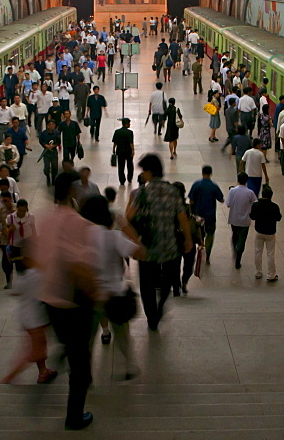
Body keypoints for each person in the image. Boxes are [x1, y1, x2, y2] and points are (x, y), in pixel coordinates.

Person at [30, 172, 102, 430]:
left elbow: (38, 260)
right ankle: (74, 417)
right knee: (81, 367)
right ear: (72, 192)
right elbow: (77, 267)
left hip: (47, 301)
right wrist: (97, 294)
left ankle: (66, 352)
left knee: (72, 347)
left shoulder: (46, 220)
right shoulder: (77, 223)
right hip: (72, 305)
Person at [126, 154, 193, 331]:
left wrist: (135, 240)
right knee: (168, 280)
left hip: (147, 246)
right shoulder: (172, 191)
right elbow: (183, 219)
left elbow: (129, 218)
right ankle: (161, 305)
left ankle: (151, 317)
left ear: (149, 171)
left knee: (147, 285)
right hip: (169, 245)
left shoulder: (142, 192)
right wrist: (188, 240)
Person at [81, 194, 142, 380]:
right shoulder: (113, 237)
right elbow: (139, 252)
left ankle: (85, 373)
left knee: (88, 339)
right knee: (122, 334)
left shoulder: (81, 237)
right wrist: (128, 230)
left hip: (89, 295)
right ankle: (130, 367)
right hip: (115, 295)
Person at [0, 246, 58, 385]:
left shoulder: (22, 277)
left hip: (26, 317)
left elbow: (16, 292)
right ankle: (10, 376)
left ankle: (43, 372)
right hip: (36, 318)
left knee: (37, 344)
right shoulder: (37, 275)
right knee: (35, 350)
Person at [188, 165, 224, 264]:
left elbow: (191, 200)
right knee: (210, 234)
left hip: (198, 215)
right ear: (211, 173)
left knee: (199, 234)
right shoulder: (213, 186)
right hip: (210, 215)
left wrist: (192, 212)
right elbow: (221, 199)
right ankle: (207, 254)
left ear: (202, 172)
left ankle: (200, 248)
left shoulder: (196, 184)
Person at [249, 186, 282, 282]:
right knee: (270, 253)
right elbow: (278, 218)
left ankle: (258, 272)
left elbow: (252, 216)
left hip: (259, 231)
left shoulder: (256, 205)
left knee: (258, 252)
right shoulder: (274, 206)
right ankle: (271, 274)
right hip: (270, 232)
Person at [225, 173, 256, 270]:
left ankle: (235, 249)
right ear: (246, 181)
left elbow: (228, 204)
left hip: (234, 219)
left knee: (235, 235)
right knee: (242, 239)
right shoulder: (250, 192)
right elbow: (255, 203)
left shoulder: (232, 191)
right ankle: (239, 256)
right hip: (245, 221)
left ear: (237, 179)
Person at [112, 118, 135, 185]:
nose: (130, 125)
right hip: (128, 151)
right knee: (130, 165)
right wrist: (133, 151)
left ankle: (122, 180)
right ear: (126, 124)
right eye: (129, 123)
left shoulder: (117, 131)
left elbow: (115, 142)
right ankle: (129, 178)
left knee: (121, 166)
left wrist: (113, 149)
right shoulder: (130, 132)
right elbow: (131, 143)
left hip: (119, 151)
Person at [39, 119, 61, 186]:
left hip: (54, 152)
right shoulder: (44, 133)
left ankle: (53, 178)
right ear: (47, 126)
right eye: (50, 124)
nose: (51, 126)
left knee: (55, 167)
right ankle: (48, 177)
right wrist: (45, 145)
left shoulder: (57, 133)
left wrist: (53, 145)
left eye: (53, 124)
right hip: (46, 153)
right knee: (46, 167)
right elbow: (41, 141)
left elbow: (59, 142)